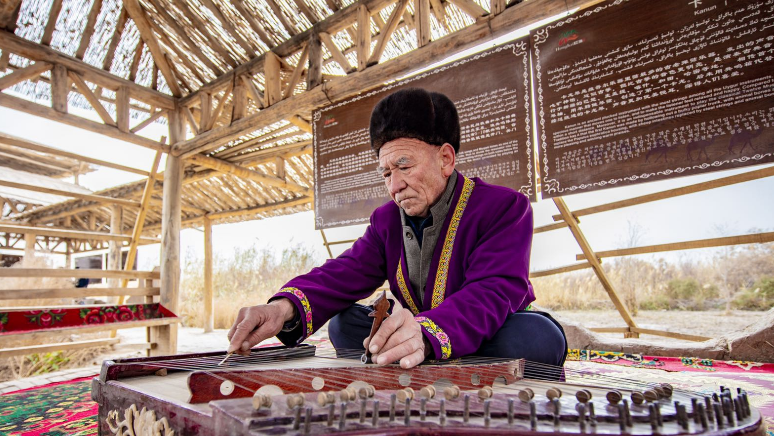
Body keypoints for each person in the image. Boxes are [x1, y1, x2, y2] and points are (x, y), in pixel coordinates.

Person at [228, 88, 566, 375]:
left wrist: (426, 333)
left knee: (537, 338)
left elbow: (493, 291)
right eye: (386, 173)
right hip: (411, 330)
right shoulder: (386, 220)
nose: (395, 185)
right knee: (344, 324)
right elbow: (346, 272)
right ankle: (416, 353)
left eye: (403, 165)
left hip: (484, 328)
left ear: (446, 159)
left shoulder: (504, 207)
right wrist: (282, 308)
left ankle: (420, 350)